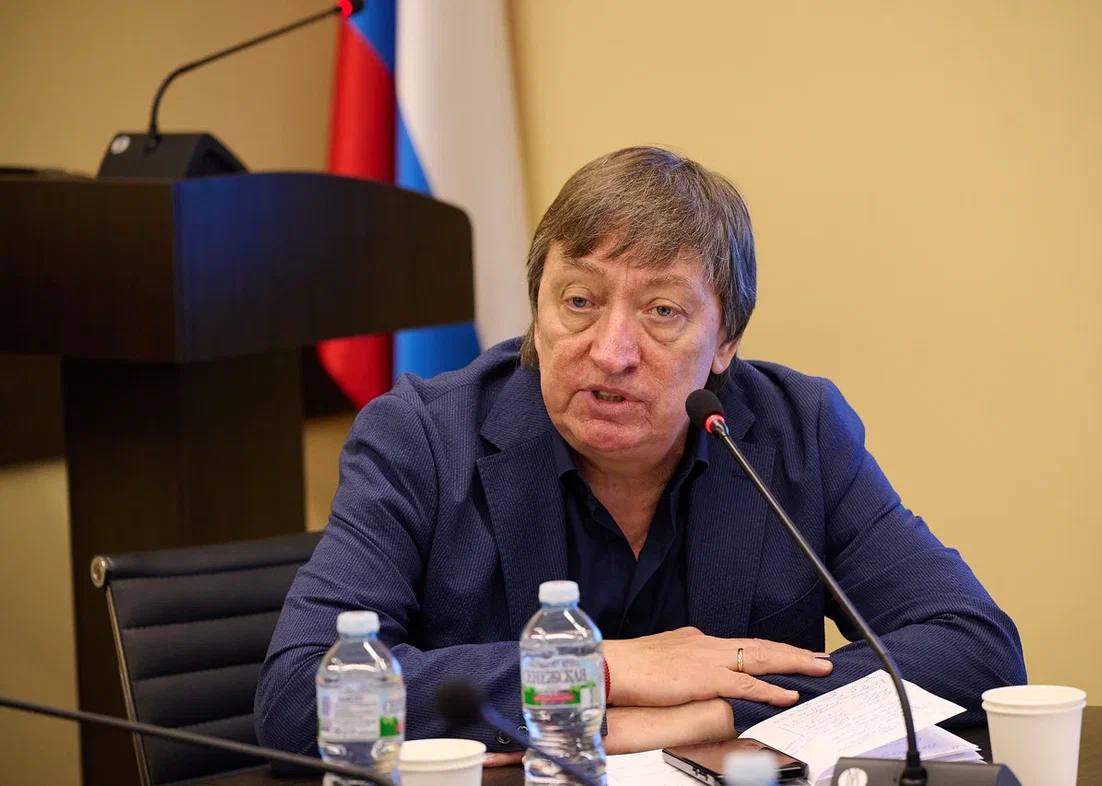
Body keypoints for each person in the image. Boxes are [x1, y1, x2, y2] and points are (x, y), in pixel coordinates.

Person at [256, 147, 1025, 762]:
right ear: (537, 309)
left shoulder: (798, 433)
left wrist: (713, 713)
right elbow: (300, 696)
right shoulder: (420, 439)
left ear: (724, 341)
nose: (610, 351)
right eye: (579, 301)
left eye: (661, 311)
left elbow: (974, 647)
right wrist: (600, 672)